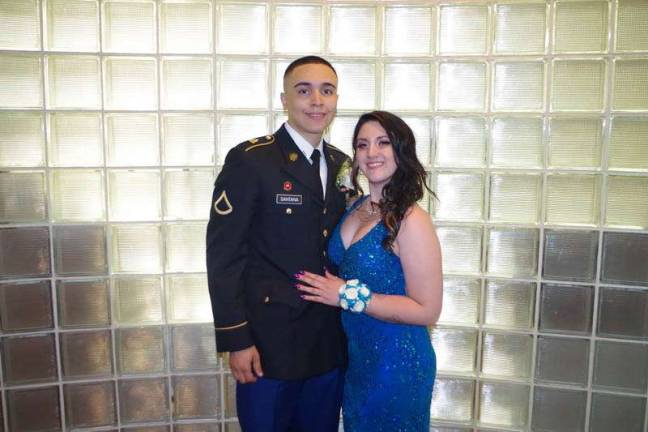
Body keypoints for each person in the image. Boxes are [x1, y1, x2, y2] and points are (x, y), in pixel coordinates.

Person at [206, 56, 353, 432]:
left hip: (327, 343)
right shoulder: (252, 160)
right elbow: (224, 255)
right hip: (268, 346)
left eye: (327, 90)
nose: (317, 100)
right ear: (284, 99)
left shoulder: (343, 164)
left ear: (336, 99)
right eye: (304, 91)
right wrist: (236, 339)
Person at [296, 111, 443, 431]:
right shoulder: (355, 206)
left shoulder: (412, 220)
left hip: (398, 363)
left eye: (383, 143)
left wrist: (347, 295)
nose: (371, 153)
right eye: (362, 145)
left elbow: (428, 309)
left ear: (401, 152)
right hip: (359, 360)